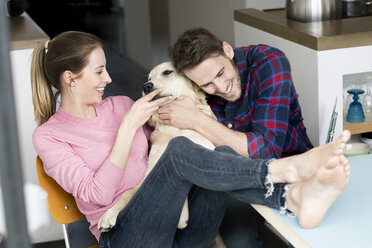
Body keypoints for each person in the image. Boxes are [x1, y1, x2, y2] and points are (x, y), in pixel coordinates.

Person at [31, 31, 351, 248]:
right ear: (70, 78)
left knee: (194, 151)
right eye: (99, 72)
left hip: (180, 234)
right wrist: (128, 127)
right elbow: (96, 194)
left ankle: (290, 197)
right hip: (125, 236)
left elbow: (169, 154)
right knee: (180, 152)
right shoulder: (49, 136)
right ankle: (283, 175)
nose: (109, 79)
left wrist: (197, 116)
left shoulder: (121, 105)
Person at [159, 27, 314, 247]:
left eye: (221, 73)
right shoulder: (192, 86)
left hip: (292, 170)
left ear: (227, 50)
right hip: (231, 180)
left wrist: (198, 121)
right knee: (240, 241)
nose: (221, 87)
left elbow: (265, 152)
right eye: (207, 85)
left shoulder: (269, 62)